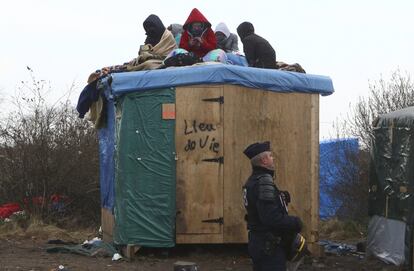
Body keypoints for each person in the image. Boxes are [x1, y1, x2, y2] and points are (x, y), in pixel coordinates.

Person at [242, 141, 302, 271]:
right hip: (269, 247)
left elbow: (257, 208)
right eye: (270, 155)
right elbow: (270, 218)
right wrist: (295, 222)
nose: (273, 158)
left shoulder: (251, 181)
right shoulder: (264, 182)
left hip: (258, 243)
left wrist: (280, 196)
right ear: (264, 160)